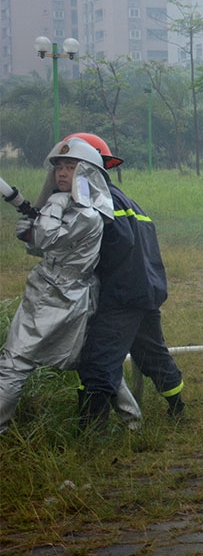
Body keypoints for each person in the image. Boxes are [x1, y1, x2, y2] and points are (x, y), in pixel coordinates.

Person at [0, 138, 141, 434]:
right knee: (96, 363)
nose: (63, 173)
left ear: (87, 173)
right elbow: (40, 244)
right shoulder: (75, 209)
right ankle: (133, 423)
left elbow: (47, 238)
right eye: (59, 167)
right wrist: (30, 230)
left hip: (54, 296)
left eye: (71, 167)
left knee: (14, 362)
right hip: (70, 295)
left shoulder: (87, 214)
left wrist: (52, 205)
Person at [68, 133, 185, 428]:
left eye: (70, 166)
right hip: (146, 292)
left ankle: (91, 432)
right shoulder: (125, 200)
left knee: (98, 360)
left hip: (121, 297)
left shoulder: (100, 202)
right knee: (152, 355)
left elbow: (101, 251)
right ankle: (178, 408)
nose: (63, 173)